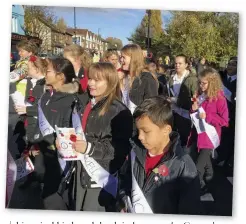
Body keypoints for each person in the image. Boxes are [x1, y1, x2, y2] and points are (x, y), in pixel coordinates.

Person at [117, 96, 200, 215]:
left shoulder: (183, 166)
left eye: (146, 131)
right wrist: (123, 203)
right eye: (138, 131)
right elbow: (124, 182)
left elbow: (190, 211)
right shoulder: (134, 153)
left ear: (166, 130)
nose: (140, 136)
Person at [67, 62, 133, 212]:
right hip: (79, 171)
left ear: (110, 82)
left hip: (100, 178)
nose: (90, 83)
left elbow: (120, 149)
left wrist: (89, 148)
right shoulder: (84, 103)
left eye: (97, 80)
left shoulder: (119, 111)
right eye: (90, 78)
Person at [33, 58, 80, 209]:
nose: (45, 74)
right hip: (42, 155)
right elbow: (38, 122)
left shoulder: (72, 100)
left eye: (48, 71)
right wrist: (34, 143)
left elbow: (72, 131)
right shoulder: (46, 96)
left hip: (58, 161)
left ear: (60, 76)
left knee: (53, 202)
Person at [187, 68, 229, 192]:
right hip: (199, 133)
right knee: (205, 162)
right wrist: (193, 108)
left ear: (212, 83)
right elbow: (195, 113)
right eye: (200, 83)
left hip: (210, 136)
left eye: (204, 83)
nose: (201, 85)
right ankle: (210, 178)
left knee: (199, 165)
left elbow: (224, 120)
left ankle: (196, 187)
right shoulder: (201, 95)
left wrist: (208, 117)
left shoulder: (220, 98)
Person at [167, 54, 198, 146]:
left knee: (184, 142)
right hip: (173, 113)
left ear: (186, 65)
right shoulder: (171, 78)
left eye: (180, 63)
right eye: (176, 63)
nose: (177, 65)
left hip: (186, 115)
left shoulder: (192, 79)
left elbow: (196, 99)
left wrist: (176, 100)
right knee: (172, 141)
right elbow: (167, 93)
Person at [120, 44, 158, 114]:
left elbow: (152, 106)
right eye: (120, 57)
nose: (121, 60)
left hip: (138, 122)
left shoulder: (146, 78)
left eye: (123, 57)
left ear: (133, 59)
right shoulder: (123, 76)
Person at [218, 57, 237, 174]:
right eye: (229, 64)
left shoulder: (240, 82)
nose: (230, 67)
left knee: (230, 141)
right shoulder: (223, 79)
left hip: (233, 118)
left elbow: (235, 100)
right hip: (220, 116)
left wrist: (222, 89)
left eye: (234, 65)